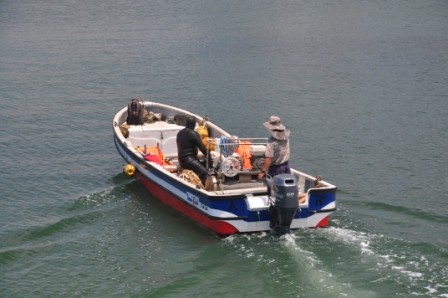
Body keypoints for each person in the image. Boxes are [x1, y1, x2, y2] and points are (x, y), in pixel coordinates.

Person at [177, 117, 213, 190]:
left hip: (181, 160)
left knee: (204, 163)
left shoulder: (179, 133)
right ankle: (201, 187)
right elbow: (203, 148)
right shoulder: (193, 134)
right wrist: (210, 160)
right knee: (204, 172)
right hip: (189, 160)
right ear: (194, 125)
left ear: (186, 124)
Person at [257, 115, 291, 180]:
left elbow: (269, 158)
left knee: (273, 187)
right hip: (286, 165)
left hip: (275, 168)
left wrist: (262, 172)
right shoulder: (286, 137)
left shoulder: (272, 141)